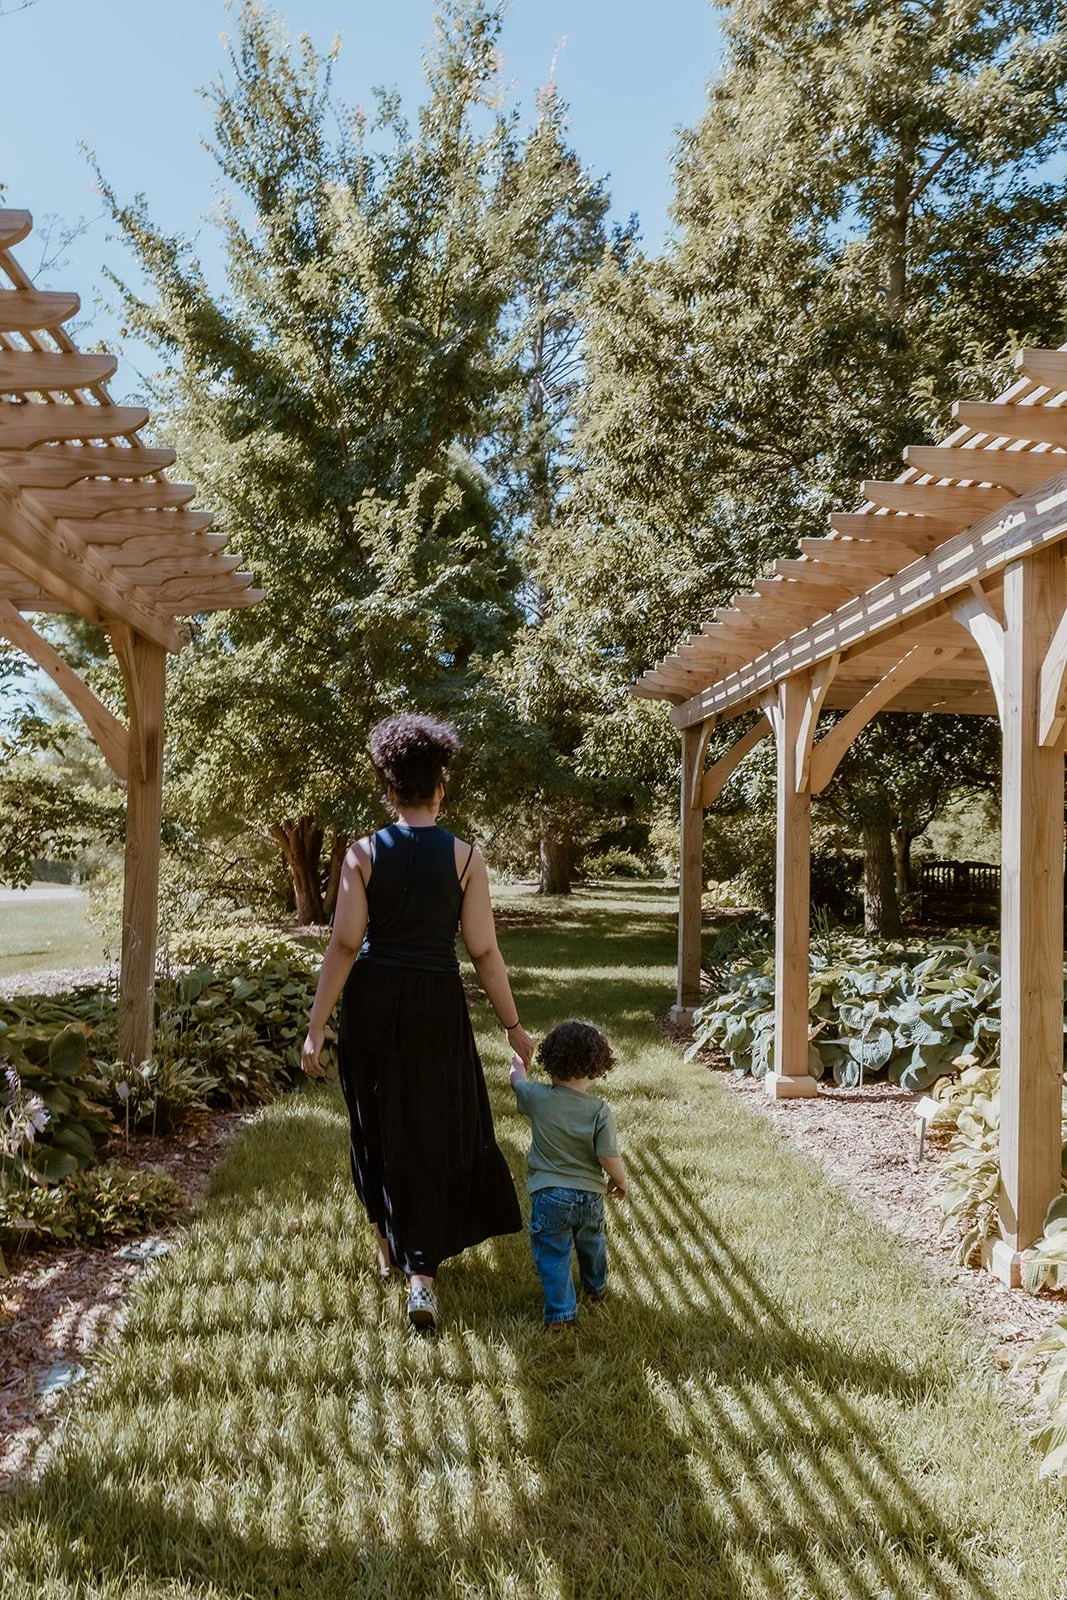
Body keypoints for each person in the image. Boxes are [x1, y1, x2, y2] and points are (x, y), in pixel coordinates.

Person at [301, 712, 534, 1331]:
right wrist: (512, 1026)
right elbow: (483, 952)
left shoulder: (361, 854)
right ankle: (422, 1277)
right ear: (440, 787)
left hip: (373, 1005)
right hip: (436, 1003)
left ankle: (389, 1244)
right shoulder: (465, 859)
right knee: (432, 1125)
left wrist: (317, 1024)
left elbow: (344, 947)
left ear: (387, 788)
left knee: (377, 1120)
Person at [509, 1020, 627, 1329]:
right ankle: (596, 1287)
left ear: (551, 1061)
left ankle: (561, 1314)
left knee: (553, 1252)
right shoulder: (599, 1110)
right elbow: (607, 1156)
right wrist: (620, 1181)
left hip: (550, 1195)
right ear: (596, 1067)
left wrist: (520, 1059)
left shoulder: (537, 1096)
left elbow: (516, 1081)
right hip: (589, 1195)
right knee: (592, 1242)